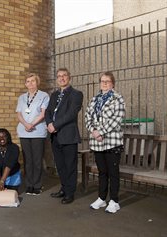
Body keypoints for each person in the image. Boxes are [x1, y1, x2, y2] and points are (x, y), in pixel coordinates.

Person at [85, 71, 125, 213]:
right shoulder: (94, 99)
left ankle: (114, 201)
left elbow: (116, 119)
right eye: (102, 81)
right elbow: (87, 117)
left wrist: (100, 132)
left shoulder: (117, 99)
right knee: (102, 172)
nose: (105, 83)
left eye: (107, 81)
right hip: (97, 143)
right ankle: (102, 198)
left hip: (112, 142)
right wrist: (93, 131)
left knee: (113, 173)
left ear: (112, 83)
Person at [45, 68, 83, 204]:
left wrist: (55, 125)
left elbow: (71, 114)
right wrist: (49, 123)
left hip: (68, 135)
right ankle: (64, 188)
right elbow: (48, 111)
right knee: (60, 166)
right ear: (57, 79)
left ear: (69, 77)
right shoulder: (54, 95)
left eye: (64, 76)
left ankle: (70, 193)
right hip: (55, 136)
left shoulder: (76, 94)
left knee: (70, 166)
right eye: (59, 76)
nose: (61, 78)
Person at [16, 73, 50, 195]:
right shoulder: (22, 97)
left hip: (38, 132)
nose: (30, 83)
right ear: (25, 84)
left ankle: (37, 185)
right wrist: (25, 124)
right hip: (24, 132)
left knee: (37, 160)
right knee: (27, 160)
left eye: (33, 81)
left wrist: (32, 125)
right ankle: (29, 185)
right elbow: (19, 114)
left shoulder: (44, 96)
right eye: (28, 81)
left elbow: (42, 114)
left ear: (37, 82)